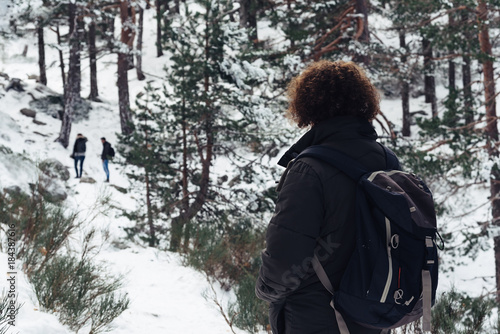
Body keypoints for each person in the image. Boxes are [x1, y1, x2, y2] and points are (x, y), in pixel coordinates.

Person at [255, 60, 392, 334]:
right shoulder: (387, 161)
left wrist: (265, 290)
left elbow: (286, 255)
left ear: (307, 104)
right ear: (364, 101)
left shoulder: (309, 170)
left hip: (316, 317)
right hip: (375, 314)